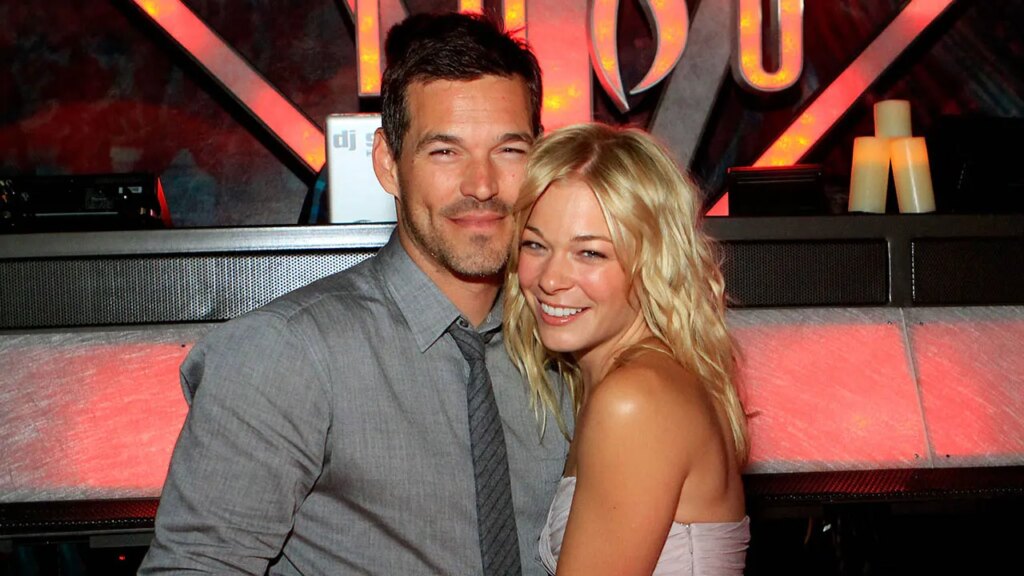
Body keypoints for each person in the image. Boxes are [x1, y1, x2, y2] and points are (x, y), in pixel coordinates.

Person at [139, 12, 571, 575]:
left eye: (509, 150)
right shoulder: (287, 354)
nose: (482, 185)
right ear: (388, 164)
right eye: (445, 151)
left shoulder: (564, 344)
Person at [503, 123, 751, 575]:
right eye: (535, 245)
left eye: (590, 253)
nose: (550, 279)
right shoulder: (643, 378)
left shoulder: (635, 400)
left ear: (652, 260)